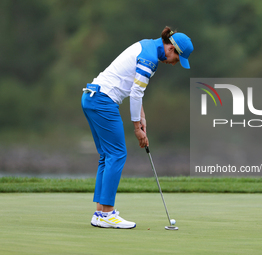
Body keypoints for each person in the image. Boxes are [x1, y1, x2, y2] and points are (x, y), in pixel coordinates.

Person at [81, 26, 193, 229]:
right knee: (117, 154)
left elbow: (135, 89)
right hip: (102, 101)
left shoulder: (148, 46)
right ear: (171, 49)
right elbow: (135, 94)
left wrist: (142, 117)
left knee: (107, 155)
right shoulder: (149, 59)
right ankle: (107, 214)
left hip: (91, 98)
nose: (175, 63)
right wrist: (136, 128)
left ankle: (100, 213)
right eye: (177, 59)